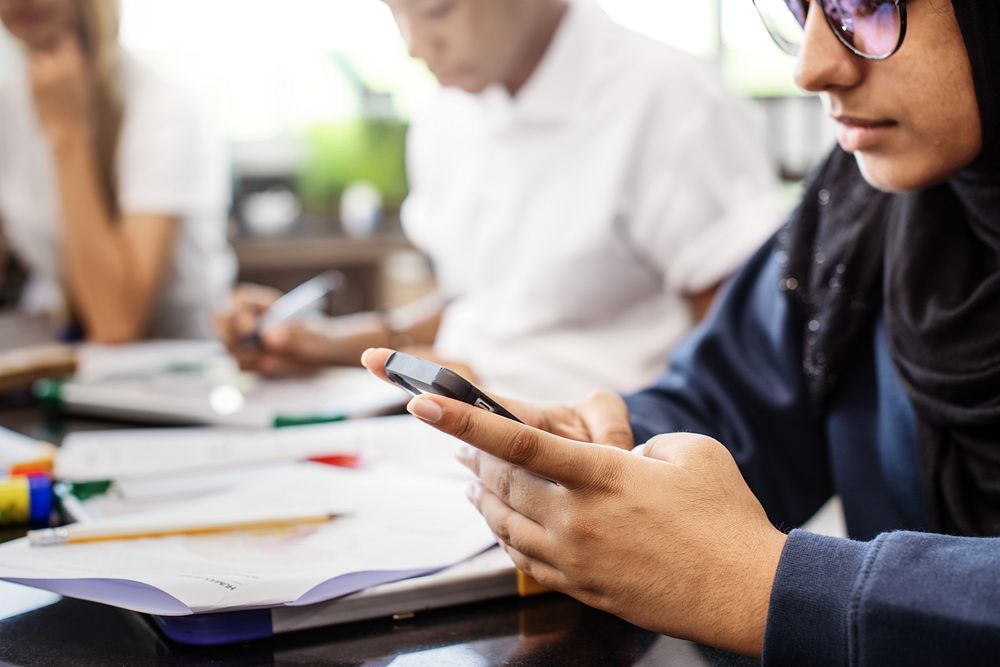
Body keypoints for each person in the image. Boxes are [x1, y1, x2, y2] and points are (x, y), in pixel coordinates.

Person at [362, 0, 1000, 661]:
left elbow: (760, 570)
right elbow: (735, 398)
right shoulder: (861, 212)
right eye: (798, 8)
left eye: (864, 8)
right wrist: (607, 449)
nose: (811, 68)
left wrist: (768, 582)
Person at [220, 0, 783, 403]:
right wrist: (328, 343)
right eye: (394, 11)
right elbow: (485, 306)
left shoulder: (667, 97)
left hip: (599, 454)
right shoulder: (450, 111)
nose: (414, 46)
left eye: (437, 10)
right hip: (450, 426)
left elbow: (745, 360)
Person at [0, 0, 234, 342]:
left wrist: (68, 139)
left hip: (175, 362)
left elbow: (116, 325)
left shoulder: (162, 110)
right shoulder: (9, 104)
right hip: (59, 352)